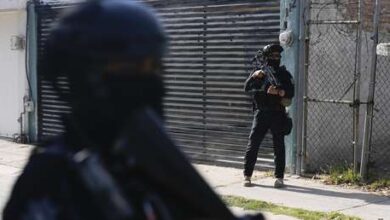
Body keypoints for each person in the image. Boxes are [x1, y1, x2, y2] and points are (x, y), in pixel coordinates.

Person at [3, 1, 264, 219]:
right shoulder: (50, 180)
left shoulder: (139, 161)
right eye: (132, 68)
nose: (152, 82)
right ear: (83, 76)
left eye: (155, 67)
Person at [243, 44, 294, 188]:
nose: (275, 58)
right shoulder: (259, 73)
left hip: (278, 113)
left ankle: (279, 177)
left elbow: (291, 92)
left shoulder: (284, 74)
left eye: (278, 56)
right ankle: (247, 176)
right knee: (253, 144)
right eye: (272, 56)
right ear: (266, 58)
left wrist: (279, 92)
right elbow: (246, 87)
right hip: (261, 113)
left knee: (279, 146)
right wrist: (255, 76)